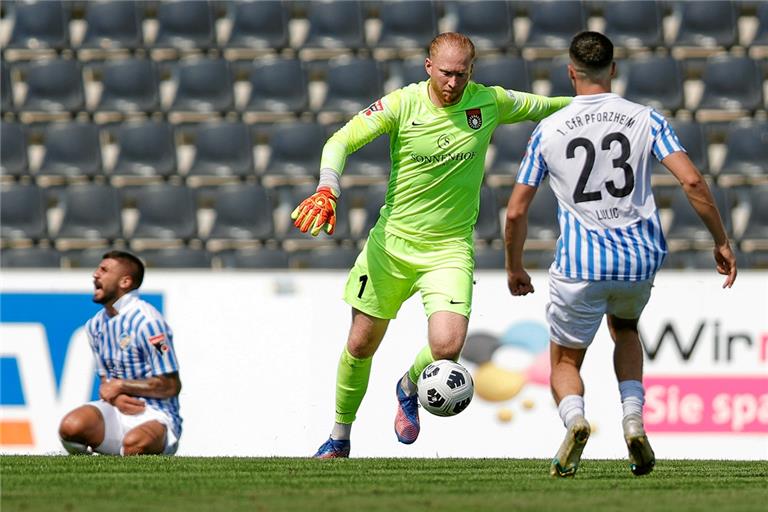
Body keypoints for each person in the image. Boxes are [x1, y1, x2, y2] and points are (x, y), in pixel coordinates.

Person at [290, 32, 572, 458]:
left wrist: (599, 105)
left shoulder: (488, 101)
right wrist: (328, 187)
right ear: (428, 66)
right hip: (392, 246)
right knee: (360, 344)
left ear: (471, 71)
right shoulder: (403, 104)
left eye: (461, 74)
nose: (453, 83)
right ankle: (339, 436)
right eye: (445, 73)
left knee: (447, 347)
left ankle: (408, 384)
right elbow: (340, 141)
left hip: (449, 249)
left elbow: (546, 106)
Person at [504, 31, 737, 477]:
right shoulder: (646, 118)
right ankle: (633, 419)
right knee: (626, 329)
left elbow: (516, 211)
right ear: (613, 69)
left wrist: (515, 266)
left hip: (581, 263)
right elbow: (692, 182)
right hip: (639, 257)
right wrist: (721, 240)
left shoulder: (549, 129)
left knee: (566, 359)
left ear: (570, 72)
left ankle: (575, 421)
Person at [59, 250, 183, 456]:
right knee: (70, 427)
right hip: (116, 410)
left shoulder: (149, 323)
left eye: (104, 270)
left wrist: (121, 385)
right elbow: (107, 381)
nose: (95, 275)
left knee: (134, 444)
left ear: (125, 282)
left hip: (155, 414)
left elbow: (171, 385)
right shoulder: (95, 325)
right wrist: (115, 397)